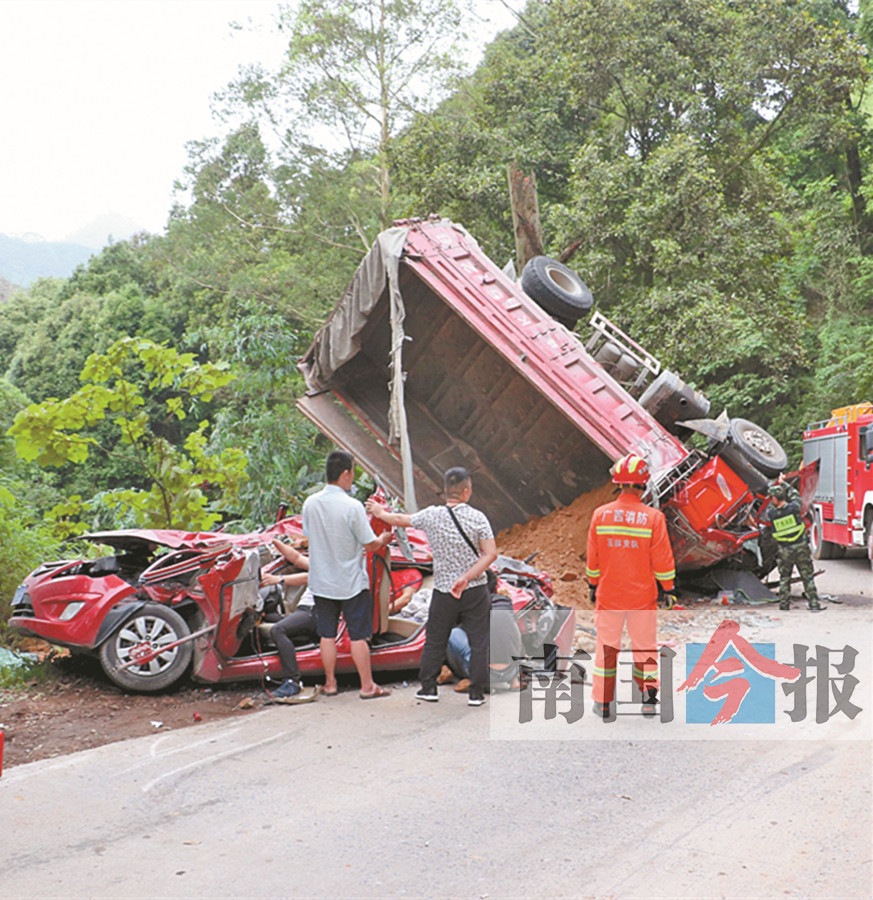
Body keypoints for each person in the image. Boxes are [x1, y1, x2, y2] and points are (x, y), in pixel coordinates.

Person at [366, 466, 497, 707]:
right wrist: (467, 577)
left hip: (444, 590)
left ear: (446, 491)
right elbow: (490, 555)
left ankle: (428, 688)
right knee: (480, 641)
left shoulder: (431, 515)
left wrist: (378, 511)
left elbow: (399, 520)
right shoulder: (478, 518)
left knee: (435, 639)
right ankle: (476, 693)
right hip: (475, 589)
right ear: (467, 491)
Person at [586, 453, 676, 719]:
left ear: (618, 483)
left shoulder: (600, 515)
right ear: (644, 484)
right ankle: (648, 700)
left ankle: (603, 702)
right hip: (641, 596)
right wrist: (668, 589)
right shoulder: (653, 518)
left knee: (606, 647)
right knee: (645, 647)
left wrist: (593, 585)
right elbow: (663, 560)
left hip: (609, 594)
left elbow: (593, 558)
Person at [302, 450, 394, 699]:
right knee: (358, 635)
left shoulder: (310, 503)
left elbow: (309, 535)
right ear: (345, 474)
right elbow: (370, 544)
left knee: (327, 634)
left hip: (322, 582)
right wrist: (383, 538)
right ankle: (367, 686)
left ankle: (330, 684)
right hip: (351, 582)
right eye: (352, 472)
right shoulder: (352, 507)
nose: (353, 477)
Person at [444, 570, 522, 693]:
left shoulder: (469, 605)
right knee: (510, 631)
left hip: (486, 673)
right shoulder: (505, 602)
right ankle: (514, 681)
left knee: (451, 633)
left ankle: (475, 679)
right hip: (510, 672)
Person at [260, 539, 316, 701]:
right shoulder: (322, 560)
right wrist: (273, 540)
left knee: (278, 629)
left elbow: (308, 577)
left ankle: (292, 681)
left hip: (315, 612)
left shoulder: (334, 563)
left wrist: (279, 579)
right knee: (269, 616)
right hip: (305, 610)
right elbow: (296, 558)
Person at [762, 483, 822, 611]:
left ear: (775, 499)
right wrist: (784, 483)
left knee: (785, 578)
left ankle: (784, 605)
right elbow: (795, 495)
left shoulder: (772, 514)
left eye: (772, 497)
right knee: (807, 577)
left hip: (785, 550)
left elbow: (768, 506)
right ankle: (814, 605)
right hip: (800, 547)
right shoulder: (794, 508)